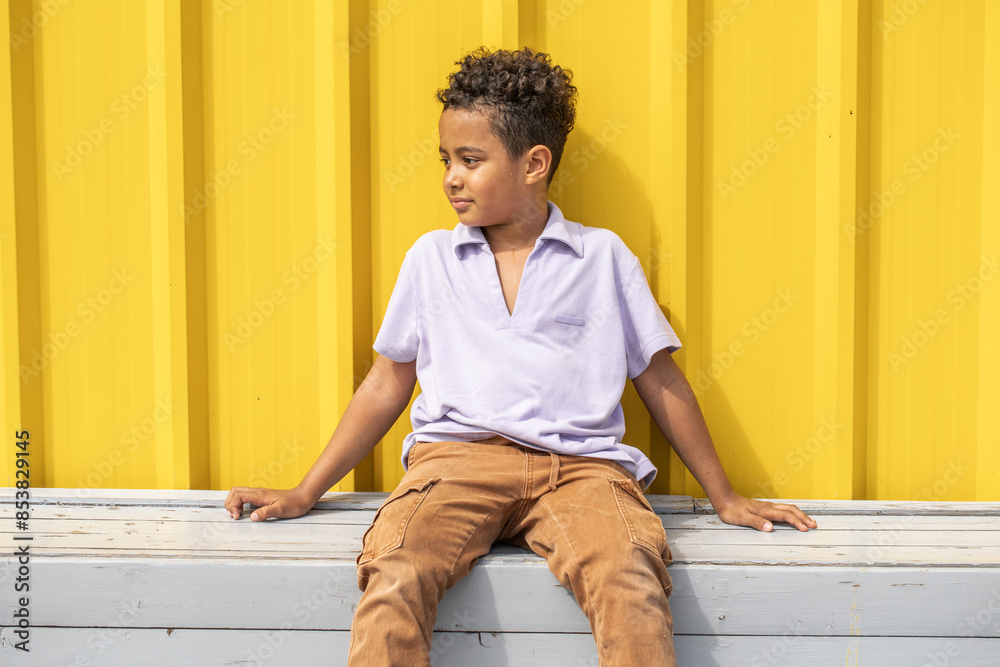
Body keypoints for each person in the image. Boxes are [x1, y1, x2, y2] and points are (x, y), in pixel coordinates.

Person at [225, 46, 816, 666]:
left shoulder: (602, 257)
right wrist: (305, 490)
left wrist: (724, 496)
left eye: (471, 160)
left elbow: (659, 378)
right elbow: (385, 383)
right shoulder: (430, 259)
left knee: (628, 577)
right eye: (446, 160)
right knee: (396, 569)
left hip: (582, 470)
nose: (452, 176)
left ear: (534, 163)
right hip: (454, 464)